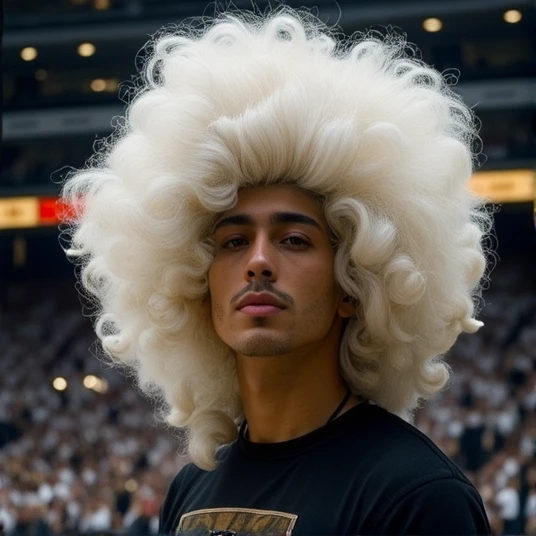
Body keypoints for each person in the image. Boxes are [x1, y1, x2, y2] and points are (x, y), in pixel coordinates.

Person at [61, 6, 493, 534]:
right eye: (234, 241)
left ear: (354, 284)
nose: (259, 262)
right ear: (195, 280)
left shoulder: (416, 495)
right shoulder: (192, 487)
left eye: (294, 239)